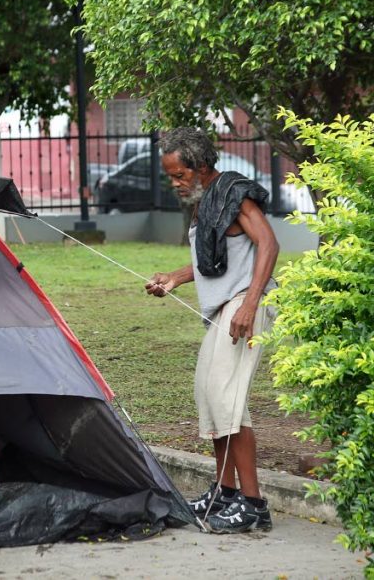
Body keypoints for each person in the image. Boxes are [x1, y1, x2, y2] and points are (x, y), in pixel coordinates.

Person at [145, 127, 278, 534]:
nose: (175, 182)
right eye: (170, 175)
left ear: (201, 167)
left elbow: (268, 245)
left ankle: (253, 505)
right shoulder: (208, 199)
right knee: (211, 394)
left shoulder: (234, 193)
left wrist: (252, 304)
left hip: (245, 305)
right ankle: (225, 492)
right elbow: (215, 261)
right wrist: (174, 278)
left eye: (179, 174)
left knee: (227, 399)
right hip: (227, 306)